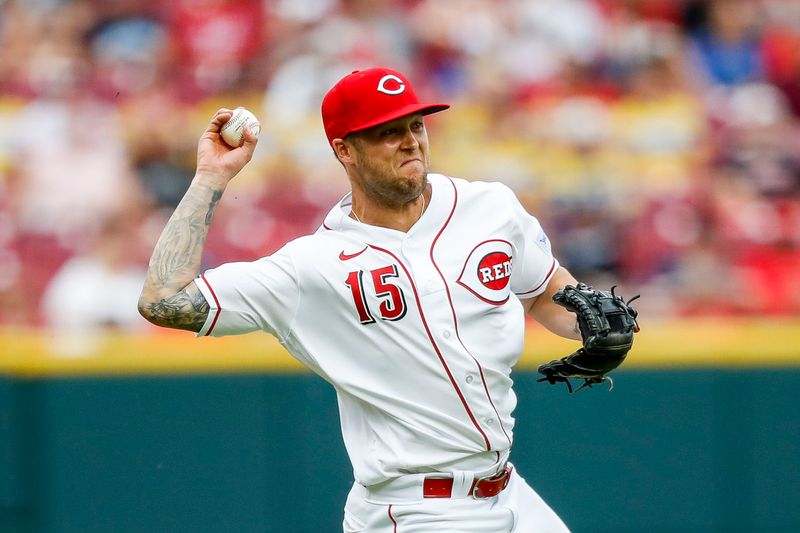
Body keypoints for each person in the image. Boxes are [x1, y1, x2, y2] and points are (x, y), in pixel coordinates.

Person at [139, 67, 583, 532]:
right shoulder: (313, 267)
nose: (410, 141)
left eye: (415, 125)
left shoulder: (488, 207)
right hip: (416, 511)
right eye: (387, 133)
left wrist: (589, 320)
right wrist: (211, 177)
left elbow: (546, 290)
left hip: (509, 490)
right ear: (344, 150)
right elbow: (164, 300)